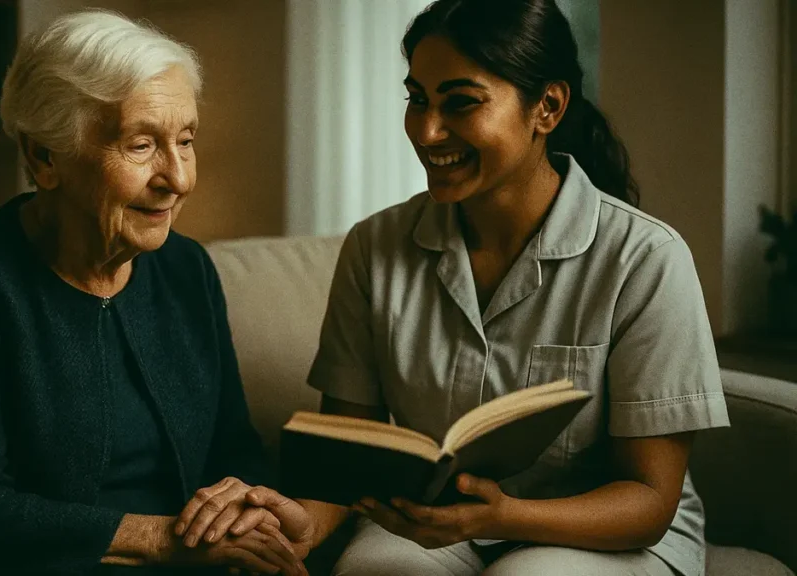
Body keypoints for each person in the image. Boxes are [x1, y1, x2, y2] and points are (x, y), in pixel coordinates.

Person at [234, 0, 731, 574]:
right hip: (436, 523)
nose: (426, 130)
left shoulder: (646, 259)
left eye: (461, 102)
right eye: (417, 98)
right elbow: (352, 462)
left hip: (609, 534)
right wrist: (293, 525)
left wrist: (502, 516)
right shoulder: (374, 248)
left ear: (547, 106)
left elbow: (649, 500)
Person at [0, 10, 309, 575]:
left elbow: (234, 451)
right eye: (140, 145)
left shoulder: (187, 269)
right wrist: (168, 540)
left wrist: (246, 510)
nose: (177, 178)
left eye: (185, 140)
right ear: (44, 157)